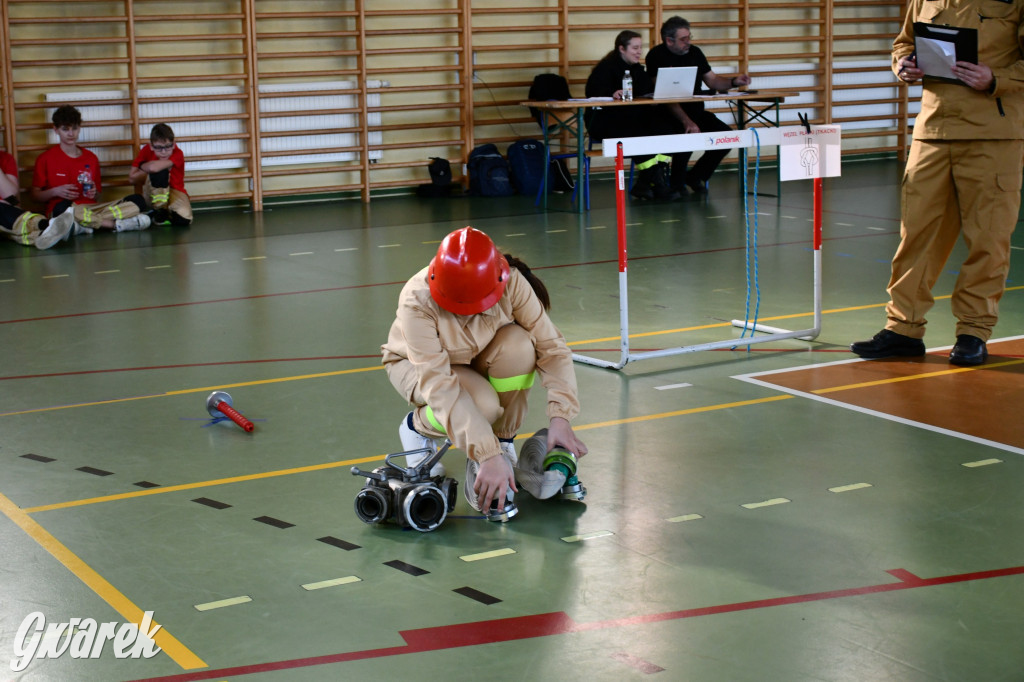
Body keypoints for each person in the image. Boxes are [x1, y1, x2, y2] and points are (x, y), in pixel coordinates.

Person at [850, 0, 1024, 367]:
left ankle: (973, 332)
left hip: (992, 134)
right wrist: (903, 65)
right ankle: (903, 330)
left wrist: (997, 78)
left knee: (988, 239)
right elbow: (904, 42)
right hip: (932, 130)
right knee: (916, 235)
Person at [381, 226, 588, 519]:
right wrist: (486, 455)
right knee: (483, 405)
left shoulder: (511, 282)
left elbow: (551, 348)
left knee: (520, 346)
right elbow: (440, 386)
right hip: (416, 367)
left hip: (477, 356)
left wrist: (561, 417)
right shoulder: (416, 300)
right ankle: (416, 427)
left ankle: (503, 440)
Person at [645, 16, 752, 195]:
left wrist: (734, 81)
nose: (688, 42)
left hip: (696, 111)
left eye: (689, 37)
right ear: (669, 40)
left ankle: (695, 176)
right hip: (669, 113)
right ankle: (676, 184)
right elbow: (664, 95)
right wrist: (687, 121)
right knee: (685, 137)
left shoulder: (695, 52)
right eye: (683, 39)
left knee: (725, 137)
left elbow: (713, 81)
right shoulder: (656, 56)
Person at [585, 30, 681, 200]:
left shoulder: (636, 69)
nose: (639, 52)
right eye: (635, 48)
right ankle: (657, 184)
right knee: (640, 132)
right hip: (604, 122)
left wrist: (659, 89)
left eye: (640, 48)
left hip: (631, 120)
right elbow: (592, 91)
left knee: (668, 126)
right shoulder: (605, 68)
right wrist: (611, 93)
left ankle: (645, 183)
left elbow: (646, 90)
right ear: (622, 49)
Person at [31, 104, 151, 233]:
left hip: (93, 209)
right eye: (65, 129)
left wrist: (94, 192)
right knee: (63, 209)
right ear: (56, 130)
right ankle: (112, 225)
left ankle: (84, 227)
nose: (71, 134)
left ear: (79, 128)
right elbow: (36, 195)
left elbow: (97, 196)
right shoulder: (45, 158)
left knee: (137, 201)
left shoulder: (91, 158)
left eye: (75, 128)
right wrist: (55, 191)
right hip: (66, 209)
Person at [0, 148, 75, 249]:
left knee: (13, 228)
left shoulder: (6, 158)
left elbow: (9, 194)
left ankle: (41, 236)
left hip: (7, 217)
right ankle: (46, 225)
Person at [128, 123, 193, 226]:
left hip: (174, 191)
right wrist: (150, 169)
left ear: (174, 144)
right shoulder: (146, 150)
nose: (163, 152)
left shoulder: (178, 153)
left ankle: (157, 215)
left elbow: (153, 167)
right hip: (151, 192)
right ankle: (159, 210)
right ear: (151, 146)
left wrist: (142, 166)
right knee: (160, 173)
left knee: (184, 220)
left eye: (168, 147)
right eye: (158, 148)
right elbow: (132, 178)